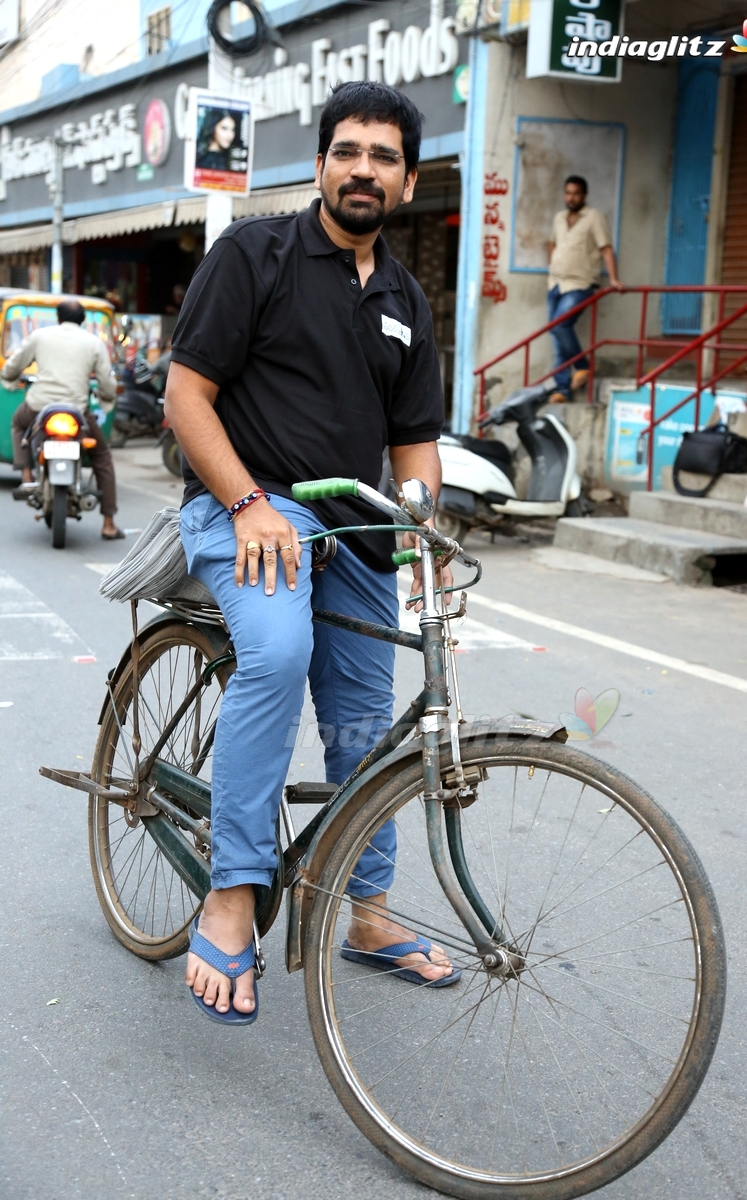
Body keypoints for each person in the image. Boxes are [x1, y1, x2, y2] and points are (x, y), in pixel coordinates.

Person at [165, 80, 458, 1025]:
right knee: (280, 656)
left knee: (368, 724)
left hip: (357, 528)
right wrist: (249, 502)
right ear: (321, 163)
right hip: (247, 510)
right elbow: (186, 398)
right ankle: (232, 889)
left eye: (383, 157)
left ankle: (368, 914)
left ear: (406, 182)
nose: (362, 169)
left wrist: (421, 535)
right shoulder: (255, 254)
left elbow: (414, 447)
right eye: (348, 151)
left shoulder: (407, 299)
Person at [3, 299, 124, 540]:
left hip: (39, 407)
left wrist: (8, 375)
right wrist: (107, 396)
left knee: (18, 424)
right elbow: (106, 382)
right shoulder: (94, 343)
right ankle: (109, 523)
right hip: (77, 410)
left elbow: (14, 365)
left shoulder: (40, 335)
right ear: (82, 321)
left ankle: (26, 475)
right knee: (101, 456)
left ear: (58, 318)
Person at [547, 175, 623, 402]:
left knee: (561, 326)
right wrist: (553, 263)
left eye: (576, 193)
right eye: (568, 193)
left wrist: (614, 279)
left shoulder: (594, 218)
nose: (571, 197)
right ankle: (562, 389)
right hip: (555, 284)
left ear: (584, 195)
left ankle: (583, 366)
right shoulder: (559, 218)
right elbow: (552, 243)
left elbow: (606, 248)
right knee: (557, 335)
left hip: (579, 284)